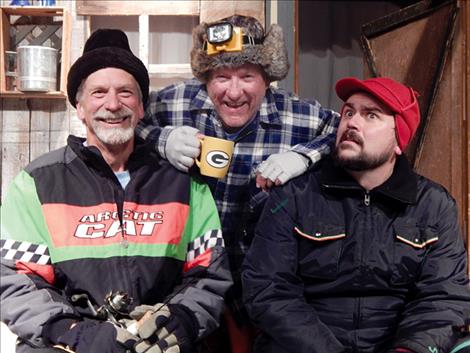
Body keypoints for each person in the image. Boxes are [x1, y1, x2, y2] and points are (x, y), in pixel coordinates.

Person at [0, 29, 232, 353]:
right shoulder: (37, 182)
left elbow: (208, 273)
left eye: (125, 92)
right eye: (98, 93)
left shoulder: (185, 183)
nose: (112, 104)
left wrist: (180, 320)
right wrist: (75, 334)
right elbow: (16, 279)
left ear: (140, 108)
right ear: (79, 108)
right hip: (66, 343)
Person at [136, 14, 339, 338]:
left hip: (262, 291)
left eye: (246, 76)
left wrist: (302, 156)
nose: (233, 92)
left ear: (267, 77)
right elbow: (125, 120)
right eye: (221, 76)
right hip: (184, 285)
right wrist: (163, 140)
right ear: (205, 78)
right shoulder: (171, 104)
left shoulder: (296, 114)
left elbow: (342, 131)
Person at [242, 76, 470, 353]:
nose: (352, 122)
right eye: (348, 112)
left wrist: (409, 350)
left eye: (370, 115)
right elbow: (268, 290)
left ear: (399, 139)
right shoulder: (294, 195)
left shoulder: (433, 205)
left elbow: (443, 297)